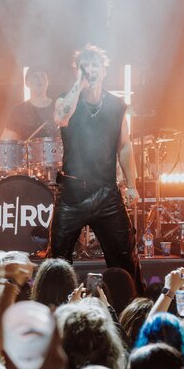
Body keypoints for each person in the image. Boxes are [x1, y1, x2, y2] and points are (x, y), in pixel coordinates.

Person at [51, 45, 144, 293]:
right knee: (58, 260)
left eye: (95, 66)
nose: (90, 70)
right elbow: (61, 118)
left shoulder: (116, 105)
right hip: (72, 192)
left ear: (104, 71)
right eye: (85, 66)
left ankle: (132, 309)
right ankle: (57, 311)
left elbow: (124, 146)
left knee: (124, 257)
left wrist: (132, 185)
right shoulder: (66, 98)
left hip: (106, 192)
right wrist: (79, 86)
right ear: (78, 71)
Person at [1, 66, 58, 141]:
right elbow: (5, 143)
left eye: (43, 76)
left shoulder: (58, 106)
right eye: (35, 76)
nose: (39, 79)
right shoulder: (18, 111)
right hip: (27, 152)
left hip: (56, 152)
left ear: (47, 82)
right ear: (27, 83)